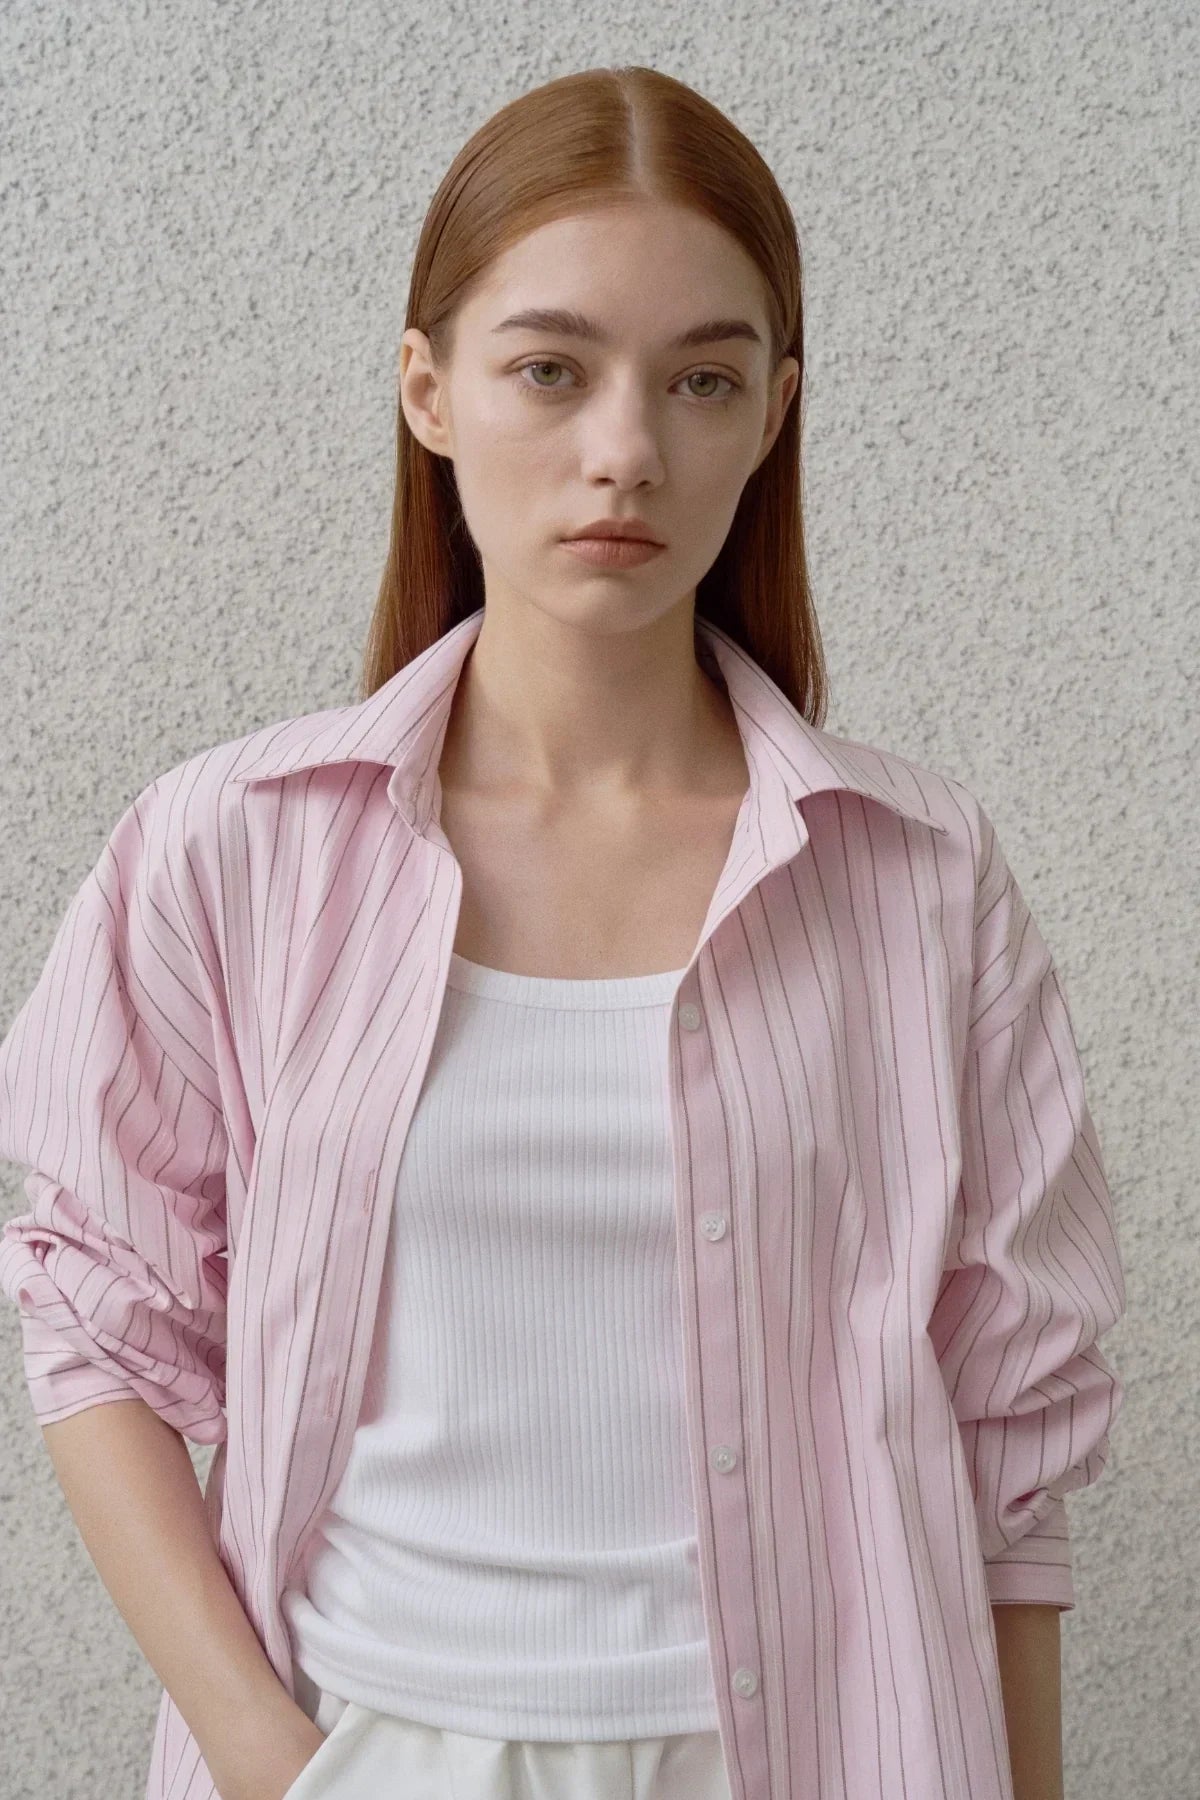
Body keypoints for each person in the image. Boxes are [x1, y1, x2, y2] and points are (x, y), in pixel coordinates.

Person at [0, 64, 1123, 1800]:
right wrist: (270, 1761)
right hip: (372, 1747)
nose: (626, 448)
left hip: (833, 1754)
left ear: (771, 416)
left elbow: (1011, 1443)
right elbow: (97, 1318)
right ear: (428, 392)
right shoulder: (229, 851)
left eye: (702, 379)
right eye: (552, 368)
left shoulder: (919, 878)